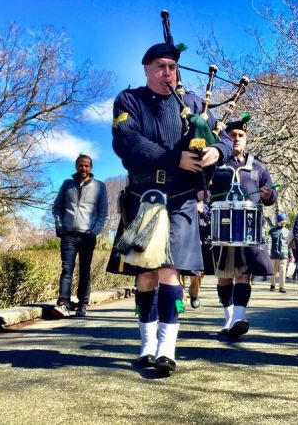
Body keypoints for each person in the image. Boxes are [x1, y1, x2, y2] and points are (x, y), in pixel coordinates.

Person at [106, 41, 233, 375]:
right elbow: (126, 141)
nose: (167, 73)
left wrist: (216, 153)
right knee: (146, 274)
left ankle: (167, 348)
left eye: (172, 67)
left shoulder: (193, 103)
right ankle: (147, 345)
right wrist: (173, 157)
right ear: (146, 69)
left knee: (170, 270)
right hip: (143, 196)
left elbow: (225, 139)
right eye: (160, 66)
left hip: (180, 198)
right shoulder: (129, 100)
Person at [208, 114, 278, 339]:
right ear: (226, 139)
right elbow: (202, 188)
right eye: (232, 135)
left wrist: (269, 195)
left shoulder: (258, 167)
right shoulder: (216, 163)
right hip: (222, 227)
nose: (237, 139)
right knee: (224, 277)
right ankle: (229, 318)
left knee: (243, 274)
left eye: (241, 135)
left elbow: (271, 192)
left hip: (248, 228)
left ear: (247, 139)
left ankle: (239, 317)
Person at [52, 154, 108, 318]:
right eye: (80, 165)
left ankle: (82, 303)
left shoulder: (100, 186)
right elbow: (56, 208)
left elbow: (103, 213)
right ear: (76, 166)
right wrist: (60, 227)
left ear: (90, 168)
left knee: (85, 270)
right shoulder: (67, 185)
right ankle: (63, 303)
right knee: (66, 269)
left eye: (86, 166)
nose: (83, 168)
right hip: (68, 234)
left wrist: (94, 232)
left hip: (87, 236)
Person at [269, 213, 293, 293]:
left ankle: (282, 287)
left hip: (284, 255)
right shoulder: (271, 231)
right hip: (274, 254)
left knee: (283, 271)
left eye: (285, 220)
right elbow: (269, 243)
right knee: (273, 271)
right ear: (278, 221)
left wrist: (291, 256)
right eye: (283, 220)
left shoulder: (287, 231)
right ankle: (272, 285)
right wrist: (268, 253)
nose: (284, 221)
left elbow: (289, 244)